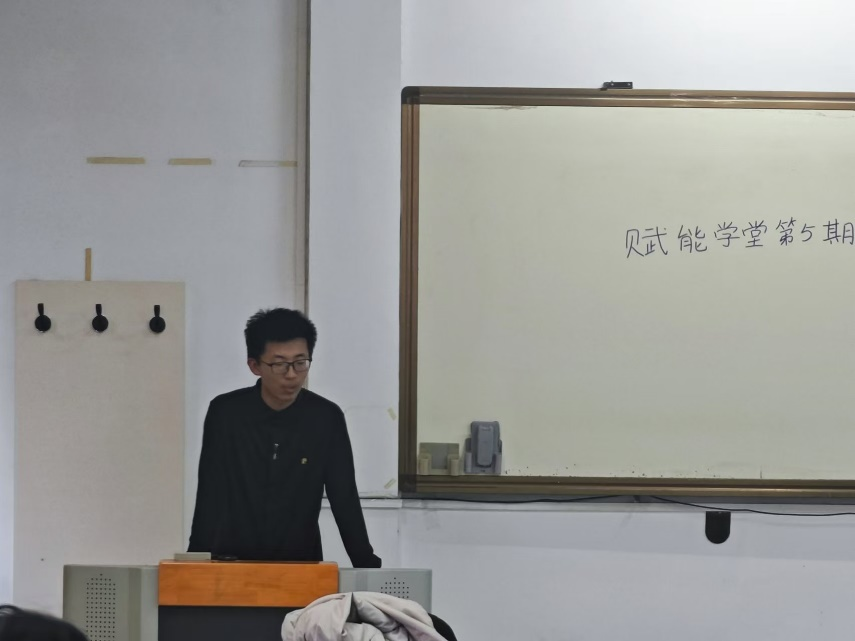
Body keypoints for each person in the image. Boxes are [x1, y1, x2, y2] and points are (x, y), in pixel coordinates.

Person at [188, 308, 381, 567]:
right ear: (255, 366)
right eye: (279, 364)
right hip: (232, 561)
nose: (291, 375)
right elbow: (210, 491)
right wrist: (194, 562)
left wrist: (366, 564)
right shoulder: (226, 413)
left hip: (300, 563)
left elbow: (343, 495)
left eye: (300, 363)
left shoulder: (325, 417)